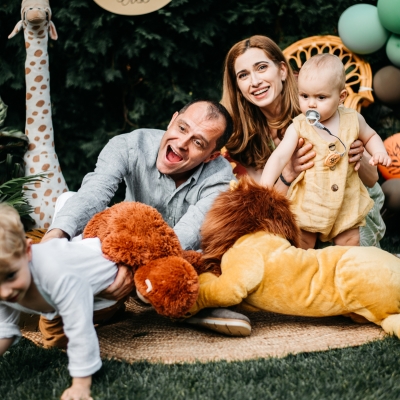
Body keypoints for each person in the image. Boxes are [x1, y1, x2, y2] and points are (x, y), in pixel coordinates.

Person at [40, 99, 251, 337]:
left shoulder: (221, 180)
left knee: (214, 263)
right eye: (182, 128)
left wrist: (133, 271)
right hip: (125, 246)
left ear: (211, 156)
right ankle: (69, 283)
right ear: (172, 120)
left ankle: (188, 304)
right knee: (68, 200)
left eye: (198, 142)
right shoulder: (129, 145)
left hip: (172, 260)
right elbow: (94, 193)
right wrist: (54, 236)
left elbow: (185, 235)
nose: (182, 143)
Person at [221, 35, 387, 248]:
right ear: (237, 86)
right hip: (306, 211)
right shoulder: (244, 136)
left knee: (351, 253)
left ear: (282, 70)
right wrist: (288, 175)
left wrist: (355, 153)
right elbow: (267, 201)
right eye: (243, 75)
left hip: (349, 203)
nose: (255, 81)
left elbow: (372, 179)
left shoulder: (320, 100)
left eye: (261, 67)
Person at [260, 54, 391, 249]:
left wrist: (379, 151)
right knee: (302, 242)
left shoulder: (353, 119)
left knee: (350, 244)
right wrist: (264, 187)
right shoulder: (298, 126)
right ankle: (304, 264)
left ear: (341, 97)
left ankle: (347, 266)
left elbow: (370, 136)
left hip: (346, 202)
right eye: (304, 96)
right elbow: (279, 157)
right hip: (309, 202)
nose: (311, 104)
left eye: (321, 97)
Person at [0, 203, 119, 400]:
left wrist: (81, 384)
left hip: (109, 266)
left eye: (11, 275)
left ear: (28, 251)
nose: (5, 293)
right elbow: (3, 328)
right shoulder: (5, 284)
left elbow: (79, 328)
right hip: (74, 267)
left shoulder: (56, 274)